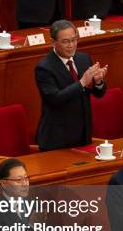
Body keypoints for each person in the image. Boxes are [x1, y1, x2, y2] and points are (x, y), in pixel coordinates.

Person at [35, 20, 108, 151]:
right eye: (65, 41)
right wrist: (82, 83)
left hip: (83, 134)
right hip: (57, 137)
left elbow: (98, 94)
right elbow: (55, 99)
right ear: (53, 42)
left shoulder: (83, 58)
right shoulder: (44, 67)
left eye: (74, 40)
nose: (71, 45)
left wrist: (98, 82)